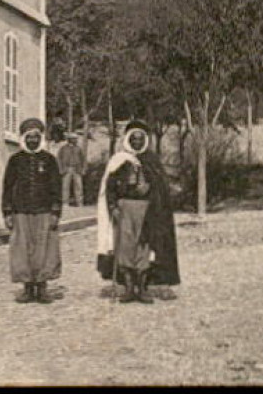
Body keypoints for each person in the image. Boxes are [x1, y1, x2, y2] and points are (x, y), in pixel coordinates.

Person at [95, 120, 180, 304]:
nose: (137, 142)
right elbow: (109, 188)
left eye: (141, 139)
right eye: (134, 139)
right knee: (125, 249)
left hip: (146, 211)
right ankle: (128, 288)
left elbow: (161, 188)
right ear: (128, 140)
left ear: (146, 140)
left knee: (144, 250)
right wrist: (113, 208)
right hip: (125, 209)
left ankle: (142, 289)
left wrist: (149, 188)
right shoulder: (119, 160)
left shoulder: (152, 161)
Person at [3, 118, 62, 304]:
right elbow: (7, 187)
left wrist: (55, 212)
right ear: (23, 139)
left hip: (44, 211)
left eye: (36, 137)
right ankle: (28, 288)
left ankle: (42, 287)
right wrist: (7, 212)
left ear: (41, 139)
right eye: (29, 137)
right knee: (22, 249)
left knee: (44, 249)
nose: (33, 141)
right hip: (21, 211)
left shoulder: (49, 160)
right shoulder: (15, 161)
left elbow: (56, 188)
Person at [52, 123, 86, 207]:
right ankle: (65, 203)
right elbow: (59, 159)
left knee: (78, 186)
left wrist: (83, 169)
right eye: (73, 139)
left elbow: (83, 160)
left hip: (77, 169)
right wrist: (61, 169)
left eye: (76, 139)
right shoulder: (63, 149)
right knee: (65, 187)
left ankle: (79, 202)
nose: (76, 140)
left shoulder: (79, 149)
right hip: (66, 169)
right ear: (69, 139)